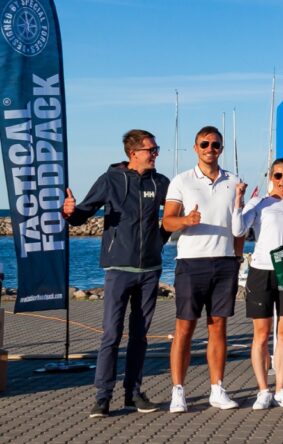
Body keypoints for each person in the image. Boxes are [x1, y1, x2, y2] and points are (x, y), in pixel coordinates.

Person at [63, 129, 168, 418]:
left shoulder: (160, 182)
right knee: (111, 334)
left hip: (150, 270)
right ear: (134, 153)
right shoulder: (111, 179)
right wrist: (70, 212)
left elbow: (171, 217)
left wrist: (159, 240)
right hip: (118, 270)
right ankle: (102, 397)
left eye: (156, 148)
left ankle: (133, 393)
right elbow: (84, 214)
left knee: (140, 336)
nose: (156, 153)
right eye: (152, 149)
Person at [162, 126, 243, 413]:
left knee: (218, 326)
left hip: (224, 263)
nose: (210, 149)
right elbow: (167, 222)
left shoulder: (234, 181)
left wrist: (238, 254)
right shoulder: (181, 181)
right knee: (184, 327)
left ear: (221, 148)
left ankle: (217, 389)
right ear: (195, 148)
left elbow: (239, 222)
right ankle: (178, 391)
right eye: (205, 144)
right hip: (191, 262)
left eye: (216, 145)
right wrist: (186, 220)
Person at [231, 159, 283, 409]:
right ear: (270, 177)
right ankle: (263, 390)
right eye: (278, 176)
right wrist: (239, 199)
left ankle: (280, 389)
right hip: (261, 270)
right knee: (261, 335)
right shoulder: (259, 203)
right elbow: (238, 228)